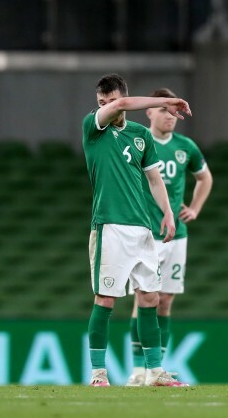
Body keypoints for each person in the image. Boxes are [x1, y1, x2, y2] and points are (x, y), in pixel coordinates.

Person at [83, 73, 190, 387]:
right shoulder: (93, 127)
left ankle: (155, 372)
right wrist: (167, 102)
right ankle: (98, 374)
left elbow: (155, 181)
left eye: (111, 101)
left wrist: (169, 214)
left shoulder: (141, 135)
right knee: (105, 300)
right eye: (102, 103)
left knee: (150, 298)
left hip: (142, 228)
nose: (107, 107)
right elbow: (127, 103)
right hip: (109, 226)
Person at [126, 88, 213, 386]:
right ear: (149, 112)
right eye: (163, 109)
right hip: (144, 233)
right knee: (143, 298)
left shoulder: (185, 147)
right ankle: (139, 369)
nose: (170, 116)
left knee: (165, 301)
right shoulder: (139, 144)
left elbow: (205, 177)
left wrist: (196, 208)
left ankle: (157, 369)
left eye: (173, 111)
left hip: (176, 235)